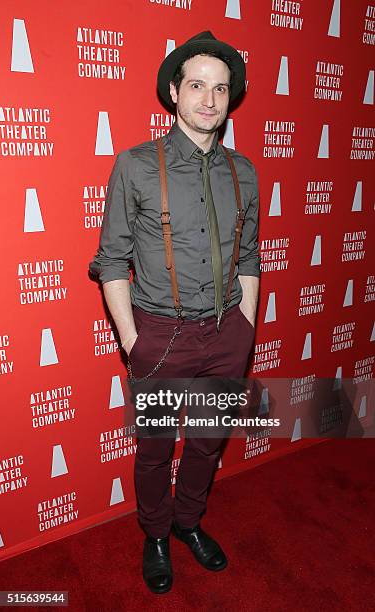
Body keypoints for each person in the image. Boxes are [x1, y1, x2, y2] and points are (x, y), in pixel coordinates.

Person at [89, 31, 261, 594]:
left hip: (227, 331)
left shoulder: (244, 171)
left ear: (230, 97)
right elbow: (112, 262)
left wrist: (246, 327)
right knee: (156, 449)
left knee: (209, 441)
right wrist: (134, 341)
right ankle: (156, 534)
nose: (209, 99)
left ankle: (189, 522)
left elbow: (251, 254)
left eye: (220, 88)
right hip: (160, 335)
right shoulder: (136, 166)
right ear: (173, 92)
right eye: (197, 86)